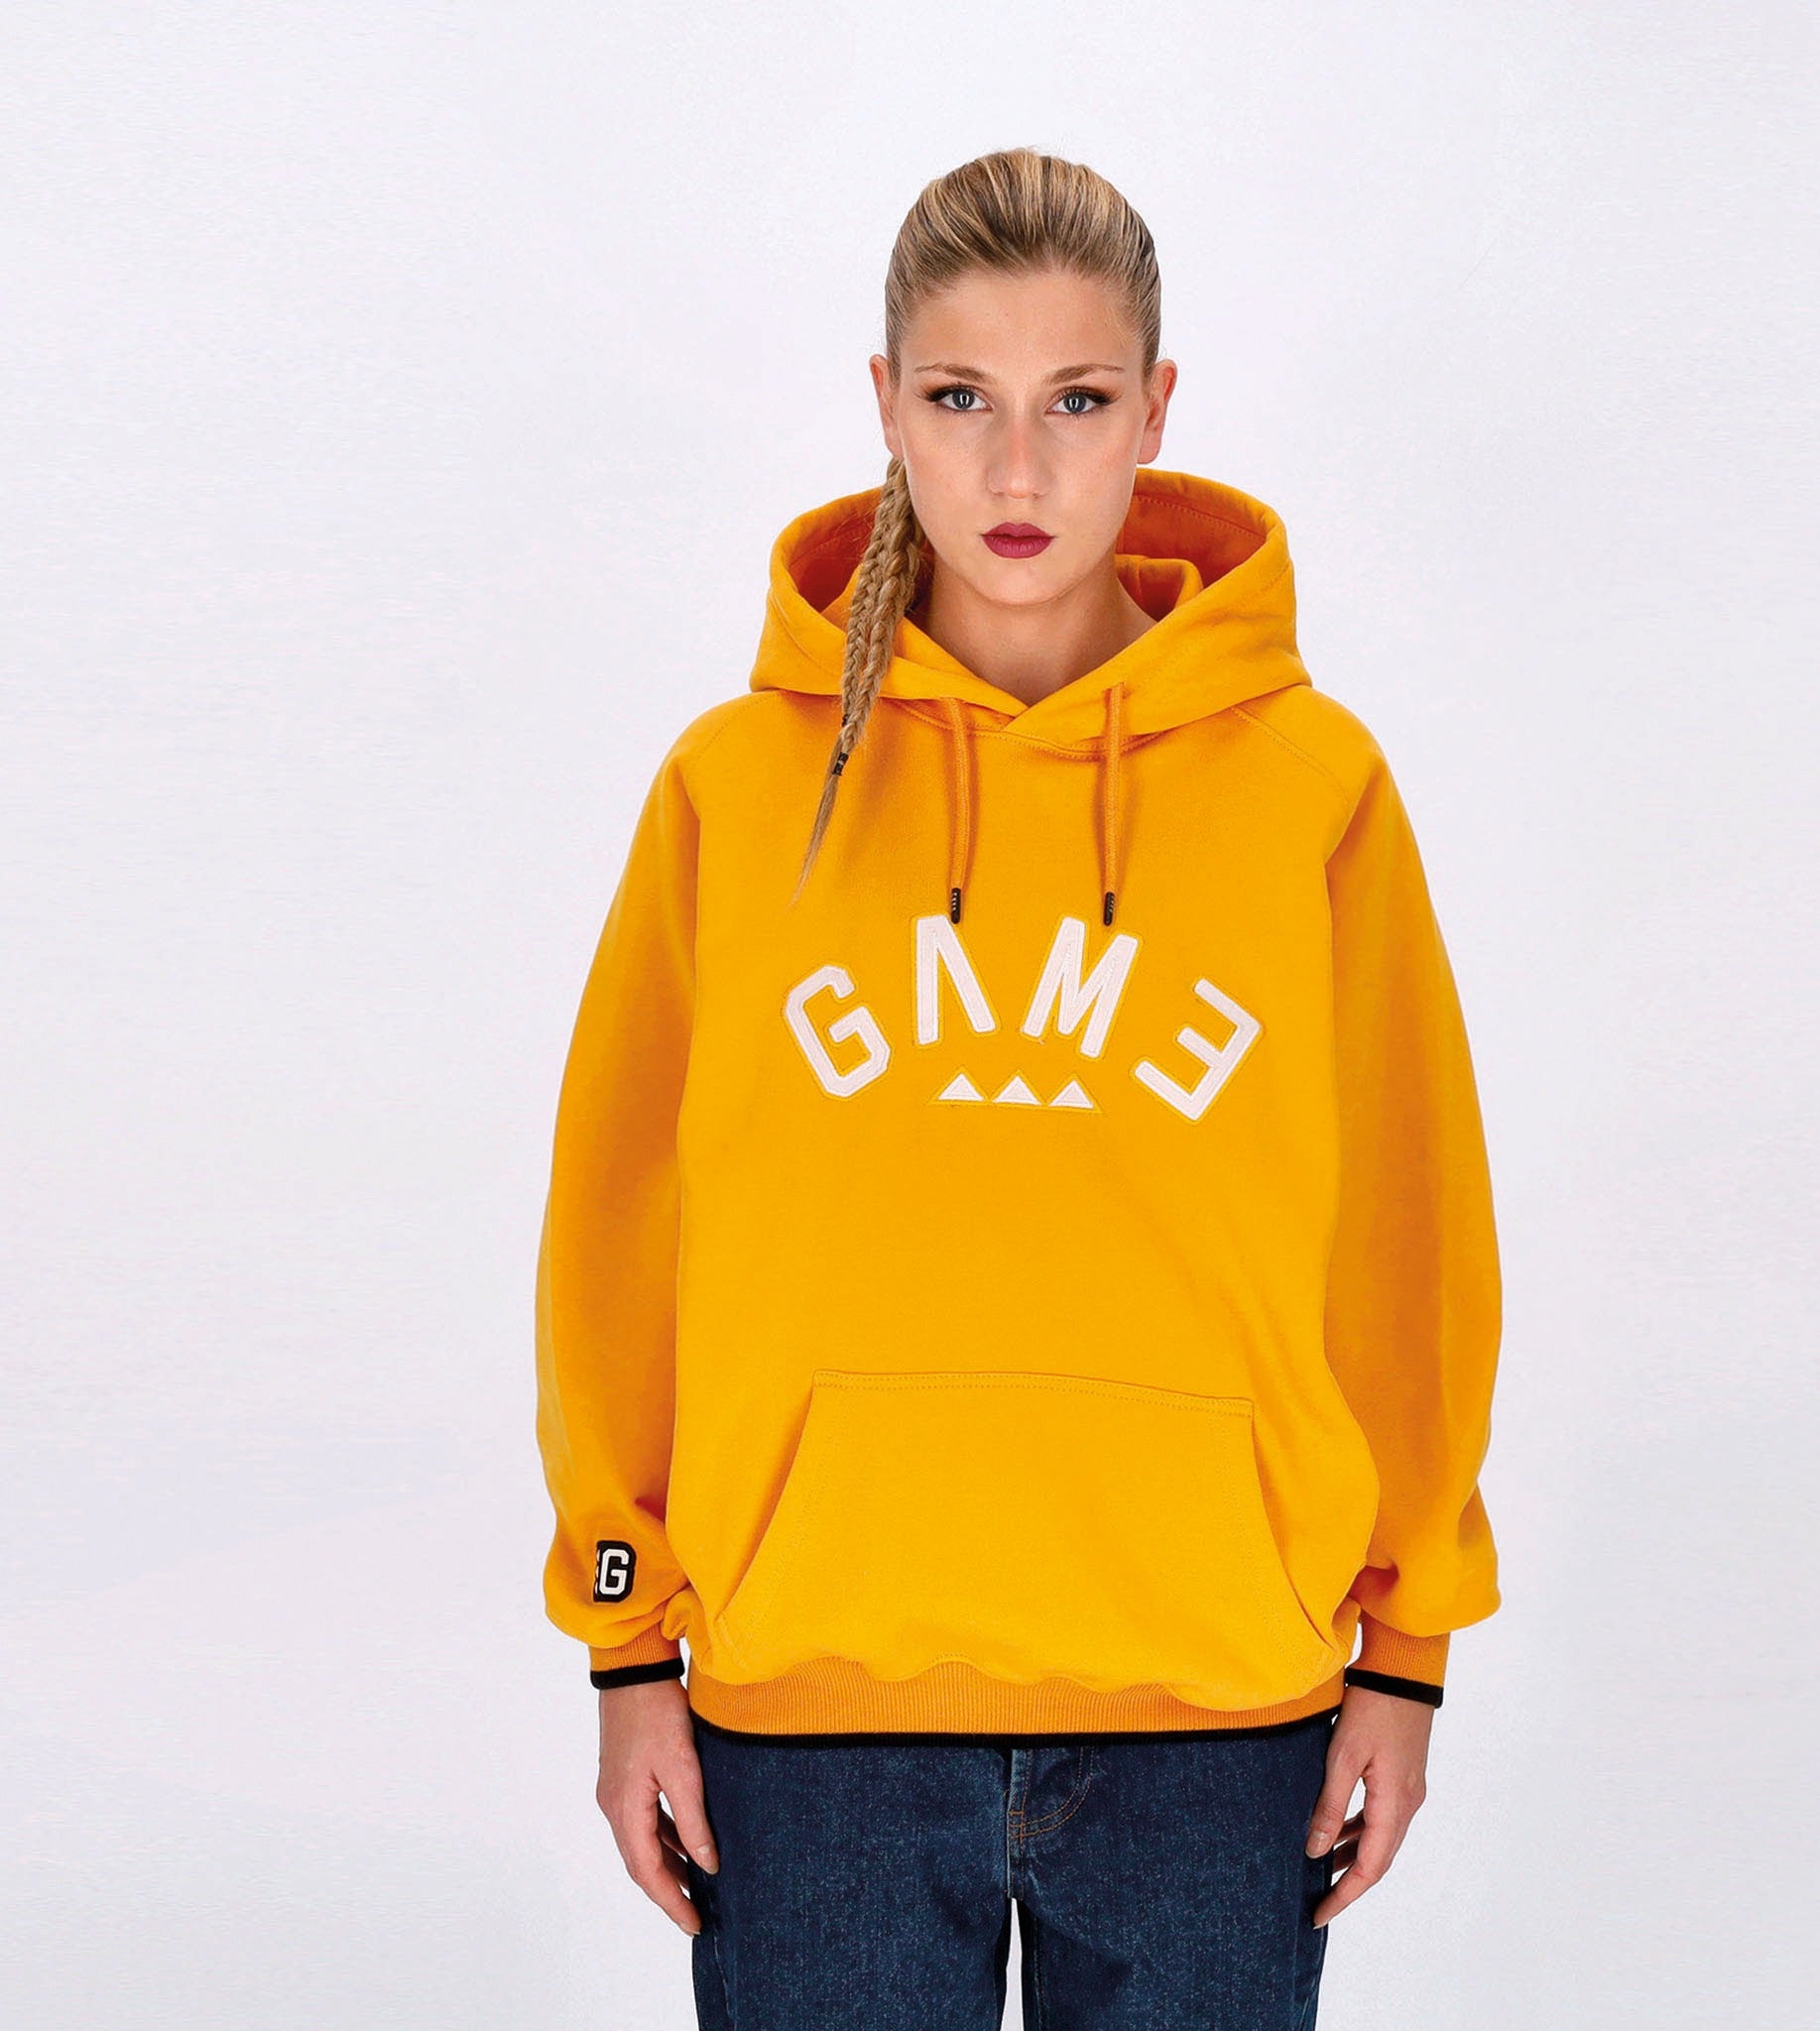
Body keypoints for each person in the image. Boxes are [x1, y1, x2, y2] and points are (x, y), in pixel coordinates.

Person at [533, 146, 1504, 2031]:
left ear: (1157, 410)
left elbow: (1408, 1230)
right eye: (962, 399)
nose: (1017, 473)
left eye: (1076, 402)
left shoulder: (1310, 787)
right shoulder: (737, 789)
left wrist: (1408, 1641)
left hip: (1215, 1715)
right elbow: (620, 1236)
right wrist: (624, 1640)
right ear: (886, 406)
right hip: (813, 1720)